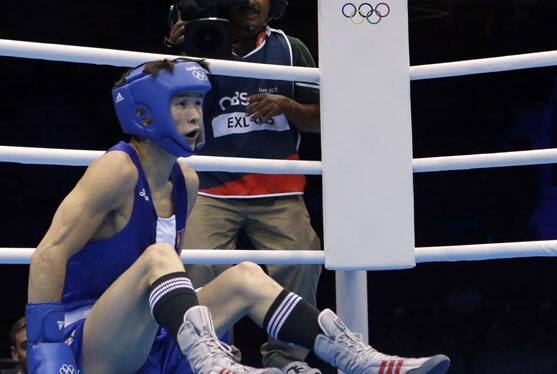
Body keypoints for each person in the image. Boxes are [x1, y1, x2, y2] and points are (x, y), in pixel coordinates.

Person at [25, 59, 450, 374]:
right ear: (145, 113)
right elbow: (48, 254)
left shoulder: (185, 181)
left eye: (197, 102)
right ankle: (212, 363)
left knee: (245, 273)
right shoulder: (115, 169)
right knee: (158, 257)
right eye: (180, 104)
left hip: (151, 338)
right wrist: (47, 351)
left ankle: (357, 357)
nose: (195, 114)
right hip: (89, 340)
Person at [167, 0, 324, 371]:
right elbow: (163, 112)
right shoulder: (196, 46)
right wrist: (174, 54)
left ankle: (288, 361)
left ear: (273, 1)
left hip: (278, 187)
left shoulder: (292, 50)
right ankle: (217, 360)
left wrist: (288, 105)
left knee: (303, 262)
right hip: (211, 187)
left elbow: (323, 121)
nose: (252, 1)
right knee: (191, 264)